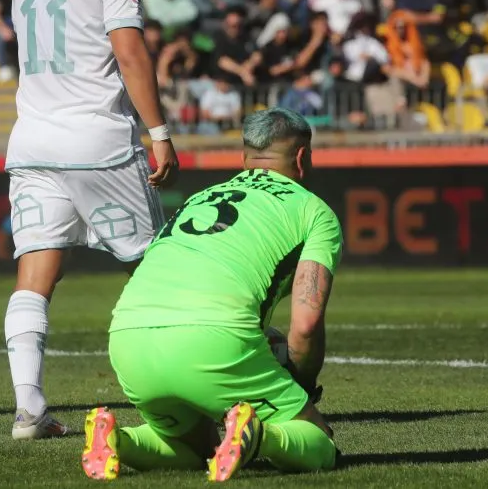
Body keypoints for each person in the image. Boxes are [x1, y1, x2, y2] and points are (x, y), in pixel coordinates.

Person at [4, 0, 178, 440]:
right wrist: (159, 132)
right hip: (97, 139)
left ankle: (29, 409)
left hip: (33, 140)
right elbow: (128, 51)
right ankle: (181, 390)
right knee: (157, 269)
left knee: (34, 276)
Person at [83, 108, 340, 481]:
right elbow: (306, 323)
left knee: (195, 449)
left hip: (128, 338)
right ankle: (260, 435)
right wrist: (302, 391)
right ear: (302, 157)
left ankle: (118, 439)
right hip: (214, 339)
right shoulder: (315, 212)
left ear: (245, 157)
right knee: (319, 441)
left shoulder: (200, 197)